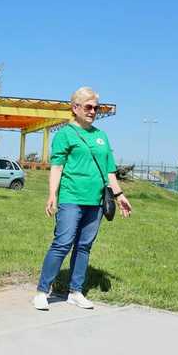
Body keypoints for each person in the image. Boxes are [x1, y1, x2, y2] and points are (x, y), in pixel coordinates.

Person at [33, 86, 132, 311]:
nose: (93, 111)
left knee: (84, 246)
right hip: (71, 198)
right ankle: (42, 291)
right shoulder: (65, 134)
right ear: (75, 107)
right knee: (62, 243)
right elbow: (57, 167)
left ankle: (75, 291)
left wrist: (120, 195)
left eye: (96, 108)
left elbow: (109, 172)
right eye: (88, 107)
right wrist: (52, 194)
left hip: (95, 201)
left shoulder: (101, 136)